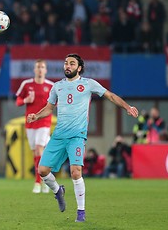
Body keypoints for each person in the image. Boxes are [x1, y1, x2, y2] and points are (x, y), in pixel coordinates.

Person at [27, 53, 139, 222]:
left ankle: (81, 212)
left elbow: (110, 95)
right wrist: (36, 115)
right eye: (66, 63)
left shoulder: (88, 84)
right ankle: (58, 191)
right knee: (42, 170)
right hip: (59, 136)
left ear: (79, 68)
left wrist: (127, 107)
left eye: (71, 63)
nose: (67, 66)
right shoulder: (57, 87)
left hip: (77, 136)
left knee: (75, 171)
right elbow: (49, 108)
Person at [15, 59, 54, 193]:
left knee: (39, 149)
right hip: (30, 123)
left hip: (44, 122)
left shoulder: (51, 86)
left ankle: (38, 182)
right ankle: (45, 179)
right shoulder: (26, 84)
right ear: (34, 69)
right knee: (35, 153)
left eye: (42, 67)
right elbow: (18, 101)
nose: (40, 69)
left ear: (46, 70)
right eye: (38, 67)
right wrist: (26, 100)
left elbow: (56, 103)